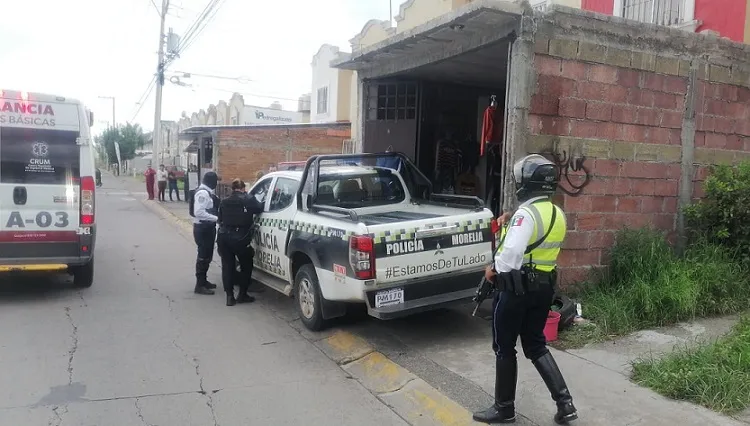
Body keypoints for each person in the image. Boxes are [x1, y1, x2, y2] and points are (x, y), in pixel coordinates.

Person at [473, 154, 577, 425]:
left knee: (504, 347)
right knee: (536, 344)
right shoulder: (557, 213)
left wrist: (491, 271)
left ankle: (504, 409)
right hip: (543, 291)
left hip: (515, 290)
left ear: (527, 184)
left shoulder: (526, 214)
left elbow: (510, 256)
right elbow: (535, 245)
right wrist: (511, 221)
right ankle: (565, 404)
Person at [217, 178, 264, 306]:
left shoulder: (224, 201)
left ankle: (229, 297)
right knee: (246, 265)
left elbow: (219, 219)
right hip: (240, 238)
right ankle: (242, 294)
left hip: (223, 237)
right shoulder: (248, 199)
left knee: (227, 267)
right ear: (243, 188)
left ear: (232, 189)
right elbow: (260, 208)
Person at [192, 171, 221, 295]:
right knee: (203, 256)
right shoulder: (202, 193)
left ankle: (204, 281)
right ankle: (199, 285)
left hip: (207, 228)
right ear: (211, 181)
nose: (216, 183)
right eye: (216, 181)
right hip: (203, 228)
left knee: (207, 255)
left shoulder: (207, 192)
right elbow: (198, 212)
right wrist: (216, 218)